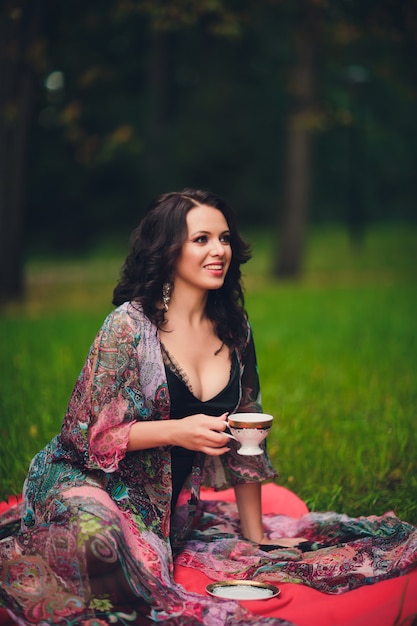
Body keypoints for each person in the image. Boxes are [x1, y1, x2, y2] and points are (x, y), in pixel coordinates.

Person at [0, 189, 290, 625]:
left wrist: (255, 536)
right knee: (99, 545)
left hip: (160, 507)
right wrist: (177, 431)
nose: (218, 251)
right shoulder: (128, 327)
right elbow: (85, 435)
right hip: (89, 481)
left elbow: (248, 434)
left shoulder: (236, 329)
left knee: (142, 570)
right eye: (202, 239)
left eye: (224, 238)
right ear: (169, 250)